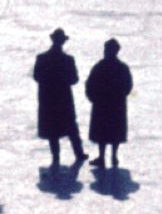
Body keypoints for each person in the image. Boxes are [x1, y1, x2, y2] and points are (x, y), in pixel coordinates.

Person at [33, 29, 86, 168]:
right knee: (71, 126)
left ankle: (56, 156)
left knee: (53, 130)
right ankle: (79, 153)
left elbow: (37, 77)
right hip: (63, 99)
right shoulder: (68, 60)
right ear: (62, 42)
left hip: (48, 99)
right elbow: (74, 79)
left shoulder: (42, 58)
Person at [84, 38, 133, 168]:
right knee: (115, 131)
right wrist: (120, 96)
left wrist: (93, 97)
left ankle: (101, 157)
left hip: (102, 104)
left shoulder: (99, 66)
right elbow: (128, 86)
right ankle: (114, 156)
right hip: (117, 105)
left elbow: (90, 84)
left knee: (102, 132)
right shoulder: (123, 68)